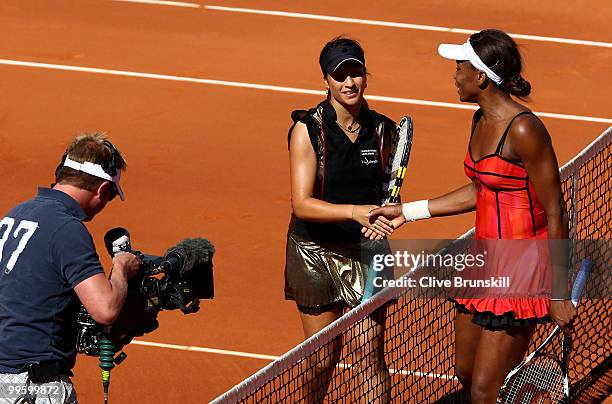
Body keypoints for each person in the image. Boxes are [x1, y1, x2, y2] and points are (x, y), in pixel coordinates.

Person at [367, 29, 576, 403]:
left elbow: (557, 209)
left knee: (483, 391)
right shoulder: (479, 121)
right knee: (465, 371)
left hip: (523, 268)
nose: (455, 74)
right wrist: (409, 212)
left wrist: (559, 292)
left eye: (460, 66)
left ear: (480, 77)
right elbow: (482, 189)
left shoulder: (525, 129)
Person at [284, 37, 397, 403]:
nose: (349, 82)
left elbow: (387, 194)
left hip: (366, 250)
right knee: (321, 358)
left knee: (369, 352)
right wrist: (353, 211)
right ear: (326, 80)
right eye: (340, 75)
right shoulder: (308, 130)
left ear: (366, 76)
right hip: (313, 250)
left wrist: (387, 215)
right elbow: (302, 203)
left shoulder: (383, 131)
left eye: (356, 72)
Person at [0, 133, 140, 404]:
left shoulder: (14, 215)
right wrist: (121, 267)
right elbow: (106, 309)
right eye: (110, 196)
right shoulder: (67, 229)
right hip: (32, 388)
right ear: (101, 190)